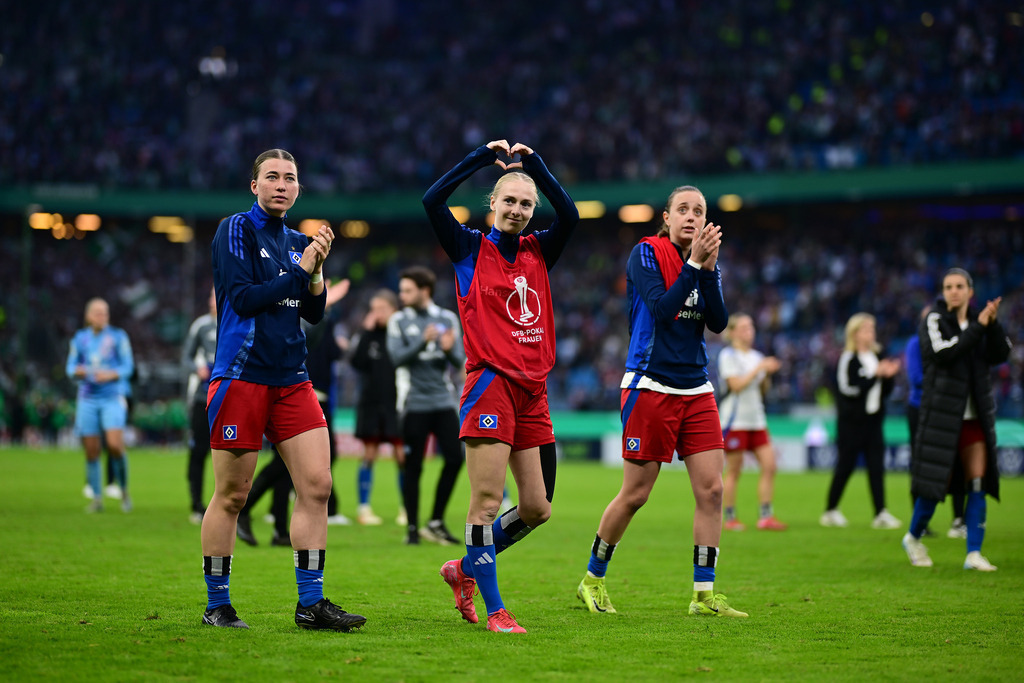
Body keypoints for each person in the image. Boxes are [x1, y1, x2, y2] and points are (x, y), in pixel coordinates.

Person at [201, 148, 364, 631]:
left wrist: (314, 270)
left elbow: (313, 313)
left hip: (292, 379)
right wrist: (300, 269)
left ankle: (310, 604)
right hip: (242, 375)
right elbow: (244, 297)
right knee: (232, 495)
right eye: (271, 176)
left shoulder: (297, 241)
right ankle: (218, 605)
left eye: (289, 178)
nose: (281, 184)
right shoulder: (235, 229)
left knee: (318, 486)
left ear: (297, 189)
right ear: (254, 185)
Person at [426, 140, 578, 634]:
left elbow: (571, 216)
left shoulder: (538, 250)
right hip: (490, 384)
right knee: (486, 503)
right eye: (508, 201)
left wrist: (535, 168)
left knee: (536, 508)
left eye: (525, 204)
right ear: (492, 204)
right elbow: (432, 200)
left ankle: (464, 569)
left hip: (533, 389)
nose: (516, 209)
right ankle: (495, 610)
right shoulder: (468, 247)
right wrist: (475, 160)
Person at [576, 185, 747, 619]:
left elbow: (720, 323)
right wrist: (693, 264)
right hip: (649, 385)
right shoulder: (646, 254)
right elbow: (663, 308)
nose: (691, 217)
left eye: (699, 211)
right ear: (666, 217)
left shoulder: (708, 263)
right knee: (636, 494)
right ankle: (592, 579)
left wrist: (708, 270)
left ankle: (704, 595)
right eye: (683, 210)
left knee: (711, 491)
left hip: (696, 387)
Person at [902, 268, 1011, 571]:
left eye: (959, 286)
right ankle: (913, 537)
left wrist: (993, 323)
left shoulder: (981, 322)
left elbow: (1001, 354)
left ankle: (973, 553)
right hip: (941, 418)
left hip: (974, 418)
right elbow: (944, 353)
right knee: (936, 486)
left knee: (977, 481)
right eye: (948, 286)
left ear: (970, 291)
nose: (953, 291)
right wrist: (979, 326)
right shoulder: (934, 320)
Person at [387, 266, 466, 546]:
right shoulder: (398, 320)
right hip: (413, 403)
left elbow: (460, 361)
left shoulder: (447, 318)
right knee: (414, 467)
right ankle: (411, 527)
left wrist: (447, 349)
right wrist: (423, 342)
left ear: (425, 291)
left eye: (407, 290)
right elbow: (395, 359)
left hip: (443, 400)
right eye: (401, 290)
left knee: (456, 458)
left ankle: (435, 521)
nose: (402, 295)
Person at [820, 313, 902, 530]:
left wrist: (889, 376)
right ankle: (830, 510)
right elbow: (848, 389)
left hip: (874, 420)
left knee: (877, 466)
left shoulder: (877, 354)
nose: (871, 333)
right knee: (845, 466)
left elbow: (884, 391)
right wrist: (876, 374)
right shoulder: (848, 358)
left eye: (872, 329)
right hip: (852, 423)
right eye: (866, 329)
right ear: (854, 333)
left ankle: (880, 512)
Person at [718, 313, 786, 531]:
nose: (750, 330)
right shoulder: (728, 355)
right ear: (733, 332)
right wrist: (759, 369)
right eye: (745, 326)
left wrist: (766, 374)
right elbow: (736, 385)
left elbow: (761, 390)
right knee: (734, 471)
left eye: (751, 326)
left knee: (770, 465)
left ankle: (765, 516)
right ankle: (730, 517)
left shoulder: (757, 356)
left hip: (756, 419)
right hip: (735, 421)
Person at [66, 298, 135, 513]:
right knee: (91, 450)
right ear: (88, 316)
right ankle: (97, 498)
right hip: (87, 398)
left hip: (112, 396)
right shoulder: (80, 339)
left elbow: (128, 366)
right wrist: (81, 372)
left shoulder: (118, 336)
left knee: (115, 445)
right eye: (97, 313)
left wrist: (111, 374)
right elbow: (70, 367)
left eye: (104, 313)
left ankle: (123, 490)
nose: (101, 316)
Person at [904, 306, 967, 539]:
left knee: (957, 462)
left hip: (948, 408)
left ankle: (958, 518)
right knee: (920, 464)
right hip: (921, 408)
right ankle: (919, 523)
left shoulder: (952, 342)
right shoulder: (914, 344)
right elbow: (916, 378)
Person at [350, 289, 405, 526]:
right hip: (371, 404)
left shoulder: (402, 334)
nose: (378, 314)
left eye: (382, 309)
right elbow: (356, 362)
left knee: (402, 456)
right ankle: (364, 508)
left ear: (394, 310)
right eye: (374, 309)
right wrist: (365, 331)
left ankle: (405, 509)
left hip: (397, 405)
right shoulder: (368, 336)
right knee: (369, 454)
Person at [183, 287, 218, 524]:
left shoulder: (240, 320)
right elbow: (185, 357)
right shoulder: (201, 326)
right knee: (199, 451)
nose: (213, 299)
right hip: (203, 398)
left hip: (230, 398)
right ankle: (196, 503)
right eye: (212, 294)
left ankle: (228, 504)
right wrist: (197, 369)